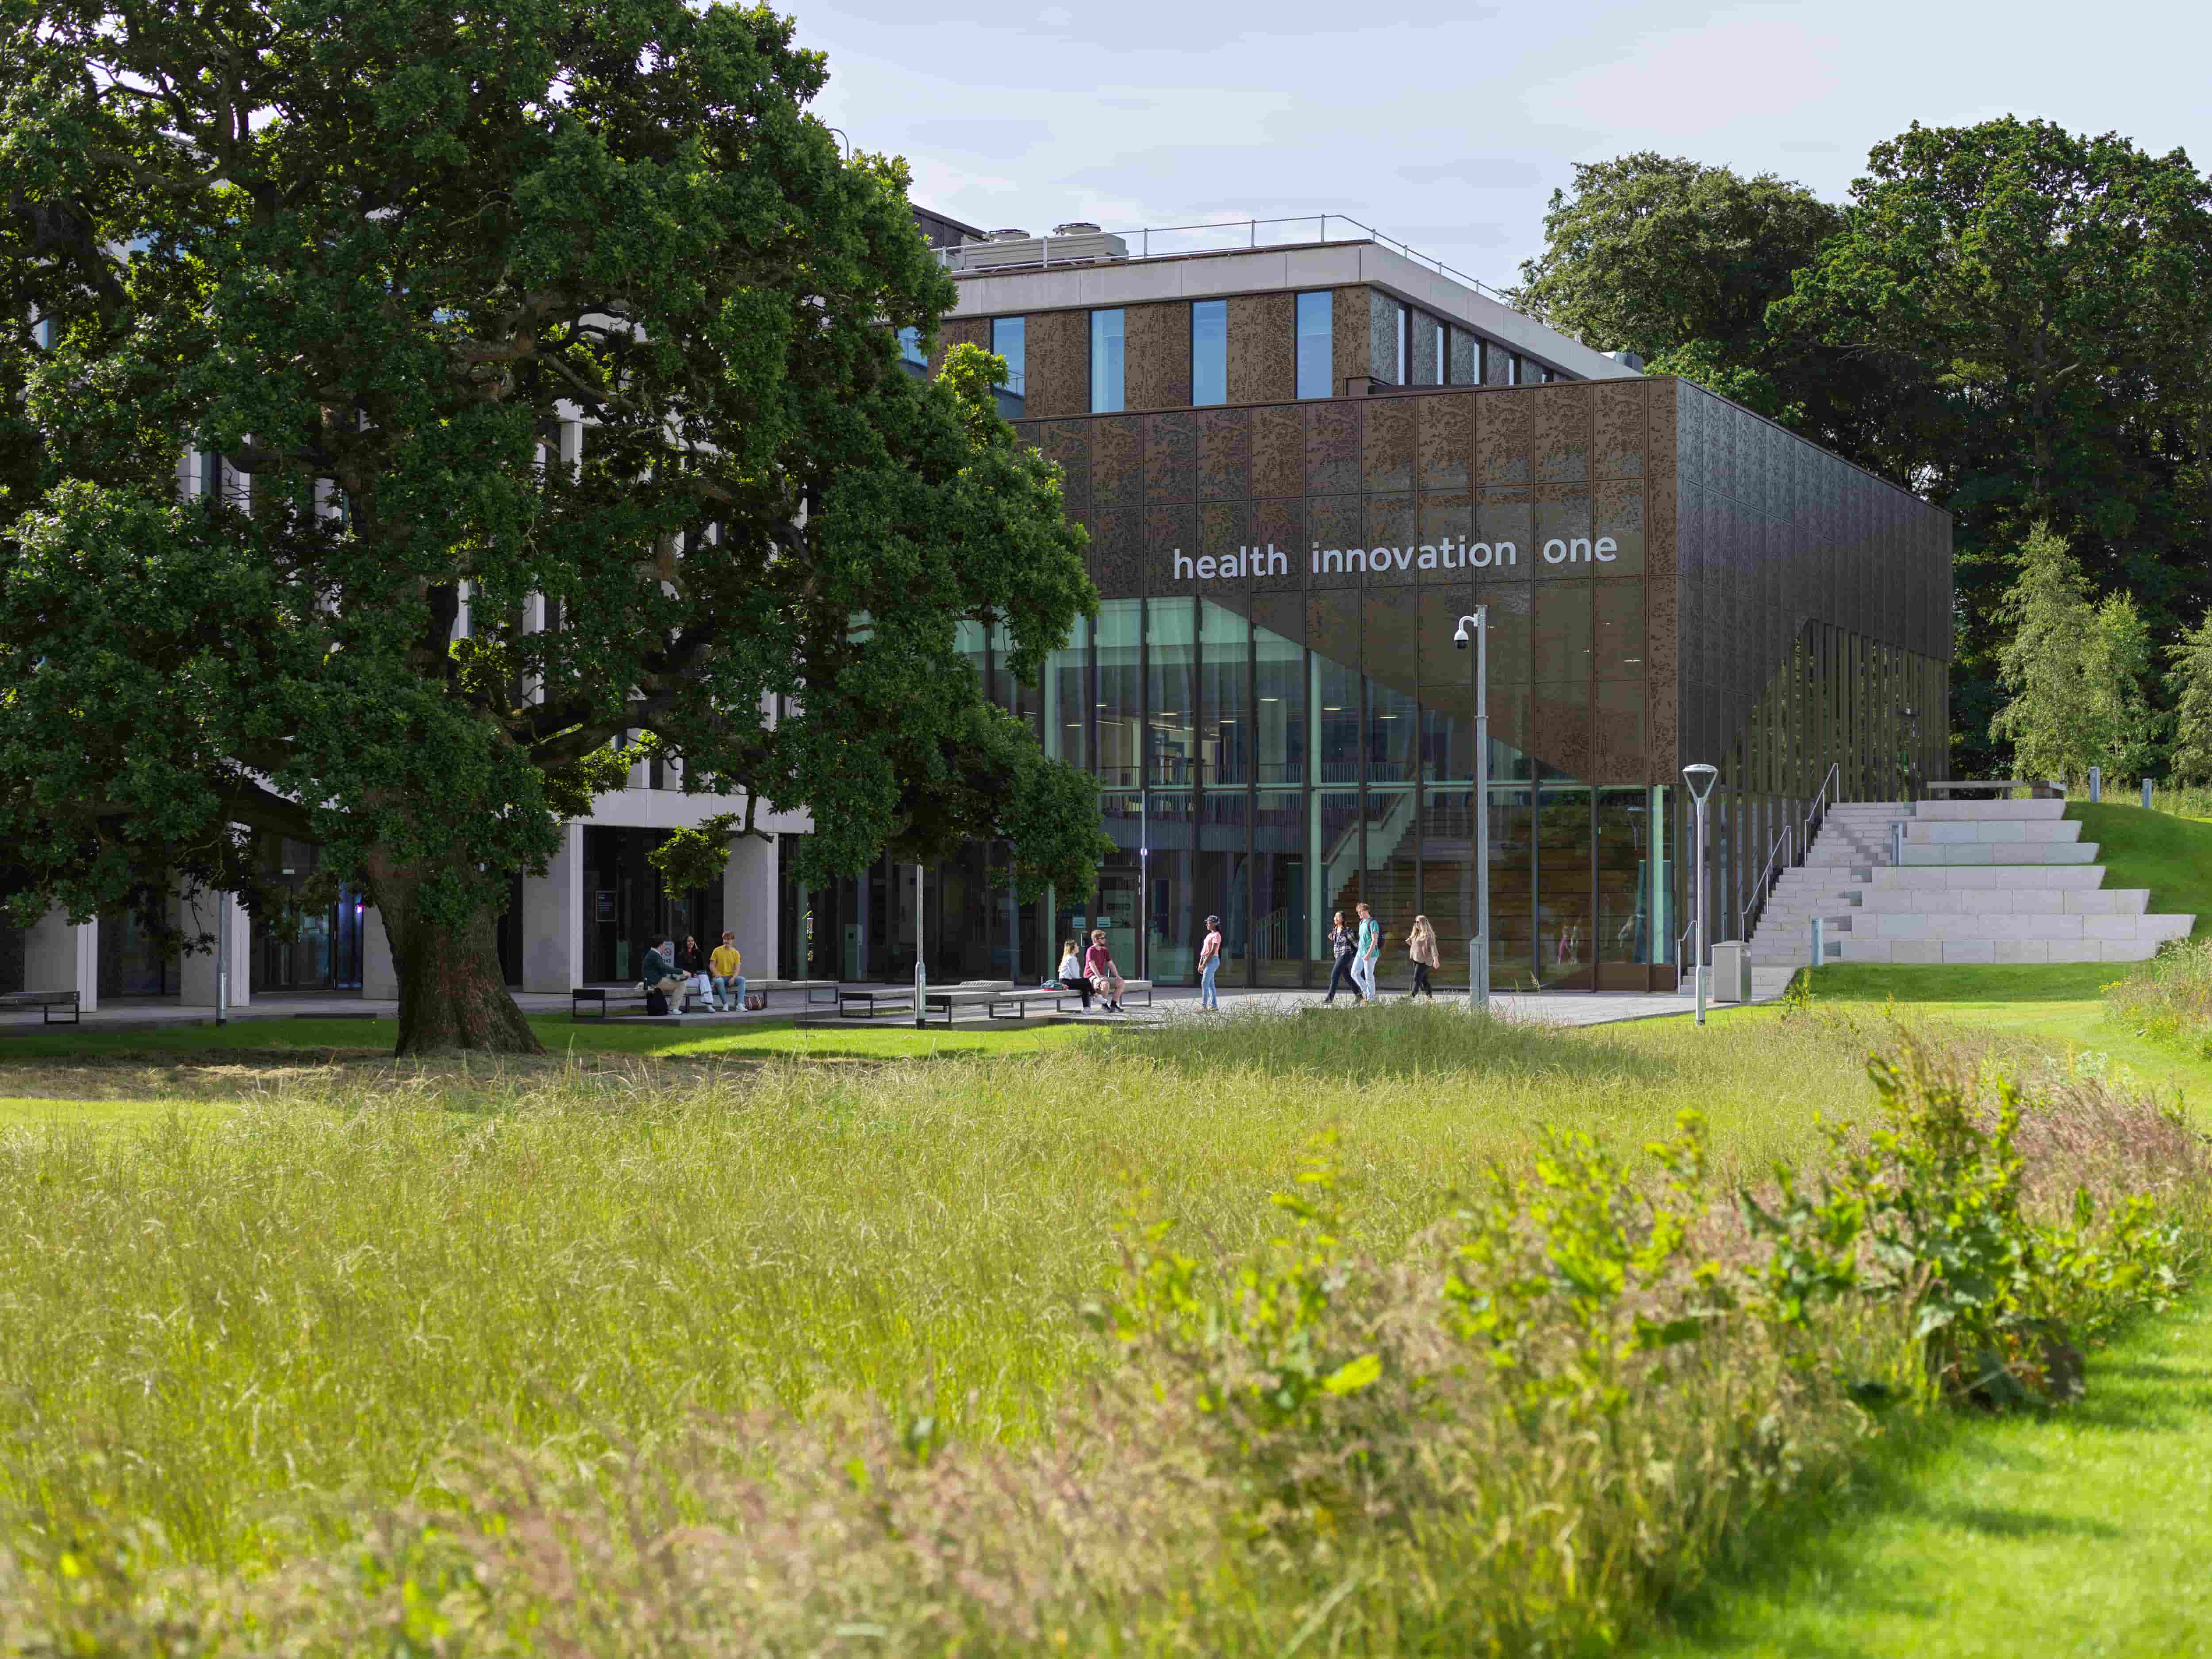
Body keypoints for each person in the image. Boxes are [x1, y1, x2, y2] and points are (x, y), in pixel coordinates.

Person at [1322, 910, 1359, 1004]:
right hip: (1338, 956)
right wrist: (1332, 937)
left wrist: (1365, 952)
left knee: (1334, 975)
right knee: (1347, 978)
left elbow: (1355, 943)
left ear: (1343, 919)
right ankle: (1360, 996)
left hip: (1346, 955)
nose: (1336, 918)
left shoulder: (1347, 930)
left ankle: (1329, 999)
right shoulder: (1334, 930)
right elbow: (1337, 942)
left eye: (1338, 917)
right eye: (1335, 917)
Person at [639, 938, 684, 1015]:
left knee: (678, 982)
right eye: (664, 945)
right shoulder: (655, 954)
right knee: (681, 984)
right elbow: (664, 968)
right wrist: (682, 972)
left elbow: (660, 970)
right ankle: (673, 1009)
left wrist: (670, 976)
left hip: (653, 981)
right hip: (654, 982)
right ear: (661, 945)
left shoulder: (653, 953)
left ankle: (672, 1008)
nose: (665, 947)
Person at [1084, 929, 1124, 1013]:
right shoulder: (1091, 950)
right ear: (1096, 940)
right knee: (1105, 984)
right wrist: (1099, 977)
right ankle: (1104, 1006)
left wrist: (1117, 976)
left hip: (1100, 976)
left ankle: (1113, 1005)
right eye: (1102, 938)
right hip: (1091, 977)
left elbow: (1111, 964)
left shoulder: (1105, 950)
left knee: (1121, 983)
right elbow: (1092, 965)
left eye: (1104, 938)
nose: (1104, 940)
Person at [709, 930, 745, 1012]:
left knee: (742, 980)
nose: (726, 941)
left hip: (730, 977)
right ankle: (725, 1004)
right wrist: (715, 973)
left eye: (728, 939)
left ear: (732, 940)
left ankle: (740, 1005)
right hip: (719, 977)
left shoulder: (736, 953)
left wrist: (734, 978)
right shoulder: (717, 950)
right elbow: (712, 965)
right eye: (725, 939)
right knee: (719, 981)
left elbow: (737, 969)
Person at [1352, 901, 1381, 1003]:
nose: (1359, 914)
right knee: (1354, 973)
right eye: (1358, 912)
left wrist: (1368, 955)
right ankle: (1367, 992)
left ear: (1367, 911)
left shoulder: (1373, 923)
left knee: (1369, 977)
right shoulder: (1361, 923)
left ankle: (1372, 999)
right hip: (1360, 954)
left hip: (1371, 954)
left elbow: (1375, 940)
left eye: (1361, 912)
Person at [1406, 913, 1439, 1000]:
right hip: (1416, 959)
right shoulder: (1416, 934)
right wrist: (1410, 941)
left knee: (1416, 978)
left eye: (1418, 922)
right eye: (1415, 922)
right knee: (1424, 979)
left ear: (1423, 923)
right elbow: (1416, 946)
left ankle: (1411, 996)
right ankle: (1430, 997)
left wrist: (1436, 960)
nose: (1416, 924)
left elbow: (1433, 948)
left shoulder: (1429, 935)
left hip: (1425, 960)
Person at [1197, 914, 1224, 1011]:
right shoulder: (1209, 935)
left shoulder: (1217, 936)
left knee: (1205, 983)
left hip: (1212, 961)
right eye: (1207, 923)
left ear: (1215, 924)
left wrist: (1204, 964)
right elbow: (1204, 951)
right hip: (1206, 959)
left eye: (1209, 923)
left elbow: (1212, 952)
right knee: (1210, 984)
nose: (1207, 925)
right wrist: (1201, 963)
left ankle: (1204, 1006)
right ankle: (1214, 1005)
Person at [1055, 937, 1091, 1009]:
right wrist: (1082, 980)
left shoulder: (1070, 957)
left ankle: (1087, 1008)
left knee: (1085, 984)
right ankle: (1092, 1001)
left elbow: (1075, 976)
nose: (1078, 947)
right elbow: (1075, 976)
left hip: (1067, 981)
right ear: (1073, 948)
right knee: (1086, 982)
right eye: (1077, 946)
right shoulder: (1071, 959)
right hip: (1066, 982)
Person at [678, 934, 710, 1009]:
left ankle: (709, 1004)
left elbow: (703, 967)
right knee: (705, 981)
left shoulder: (696, 953)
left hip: (696, 978)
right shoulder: (681, 955)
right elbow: (681, 969)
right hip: (687, 978)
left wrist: (698, 951)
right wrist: (692, 974)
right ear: (685, 943)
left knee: (704, 977)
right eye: (689, 941)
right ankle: (708, 1004)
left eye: (692, 941)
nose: (691, 943)